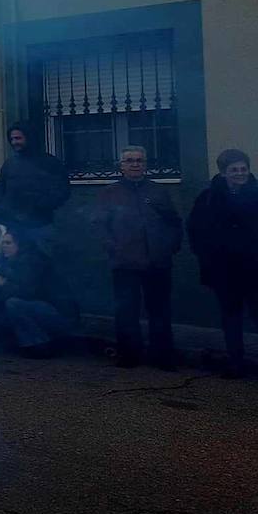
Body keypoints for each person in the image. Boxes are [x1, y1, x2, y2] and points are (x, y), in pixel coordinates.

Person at [91, 145, 183, 369]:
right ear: (121, 166)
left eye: (139, 161)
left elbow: (174, 222)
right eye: (130, 161)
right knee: (126, 311)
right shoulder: (109, 193)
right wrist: (114, 248)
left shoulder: (158, 191)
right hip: (125, 263)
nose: (135, 164)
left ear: (145, 164)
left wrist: (169, 247)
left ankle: (162, 356)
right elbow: (99, 226)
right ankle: (129, 355)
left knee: (160, 311)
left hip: (157, 262)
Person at [186, 149, 258, 380]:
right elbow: (195, 231)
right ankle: (236, 364)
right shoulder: (207, 199)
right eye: (234, 170)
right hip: (225, 273)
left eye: (243, 169)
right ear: (223, 172)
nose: (240, 173)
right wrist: (207, 257)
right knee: (231, 320)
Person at [0, 227, 79, 357]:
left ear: (20, 245)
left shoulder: (34, 262)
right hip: (43, 309)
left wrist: (3, 284)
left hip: (59, 313)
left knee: (14, 304)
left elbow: (29, 292)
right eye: (3, 243)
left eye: (8, 243)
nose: (4, 246)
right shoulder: (10, 263)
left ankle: (39, 345)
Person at [0, 123, 70, 233]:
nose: (14, 142)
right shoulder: (9, 164)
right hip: (13, 223)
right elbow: (0, 188)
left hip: (41, 224)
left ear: (30, 138)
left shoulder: (50, 163)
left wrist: (41, 205)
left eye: (18, 138)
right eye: (12, 139)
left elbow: (63, 190)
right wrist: (2, 207)